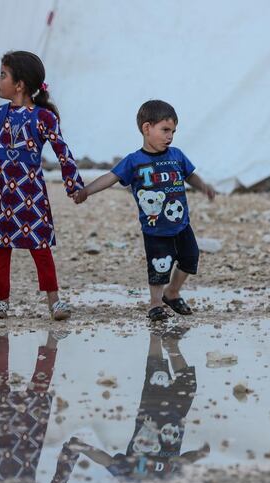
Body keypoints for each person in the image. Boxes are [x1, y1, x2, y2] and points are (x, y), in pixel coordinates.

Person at [71, 100, 215, 321]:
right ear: (147, 128)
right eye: (165, 130)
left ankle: (173, 292)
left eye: (173, 131)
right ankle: (156, 304)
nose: (170, 136)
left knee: (190, 257)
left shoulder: (176, 155)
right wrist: (86, 191)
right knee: (159, 265)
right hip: (155, 228)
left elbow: (191, 175)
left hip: (181, 224)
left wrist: (203, 186)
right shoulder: (134, 161)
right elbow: (110, 177)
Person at [0, 51, 84, 320]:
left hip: (29, 194)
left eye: (2, 75)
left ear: (19, 84)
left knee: (40, 246)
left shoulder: (44, 118)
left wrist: (73, 184)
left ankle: (54, 301)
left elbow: (62, 151)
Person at [64, 326, 209, 481]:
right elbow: (183, 461)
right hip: (177, 414)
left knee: (156, 369)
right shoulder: (168, 478)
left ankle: (156, 335)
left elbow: (108, 461)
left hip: (152, 409)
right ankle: (170, 344)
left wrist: (82, 447)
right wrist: (198, 455)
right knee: (187, 384)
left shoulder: (131, 476)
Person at [0, 331, 79, 483]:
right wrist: (70, 454)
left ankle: (0, 329)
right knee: (38, 390)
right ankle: (52, 340)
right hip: (26, 445)